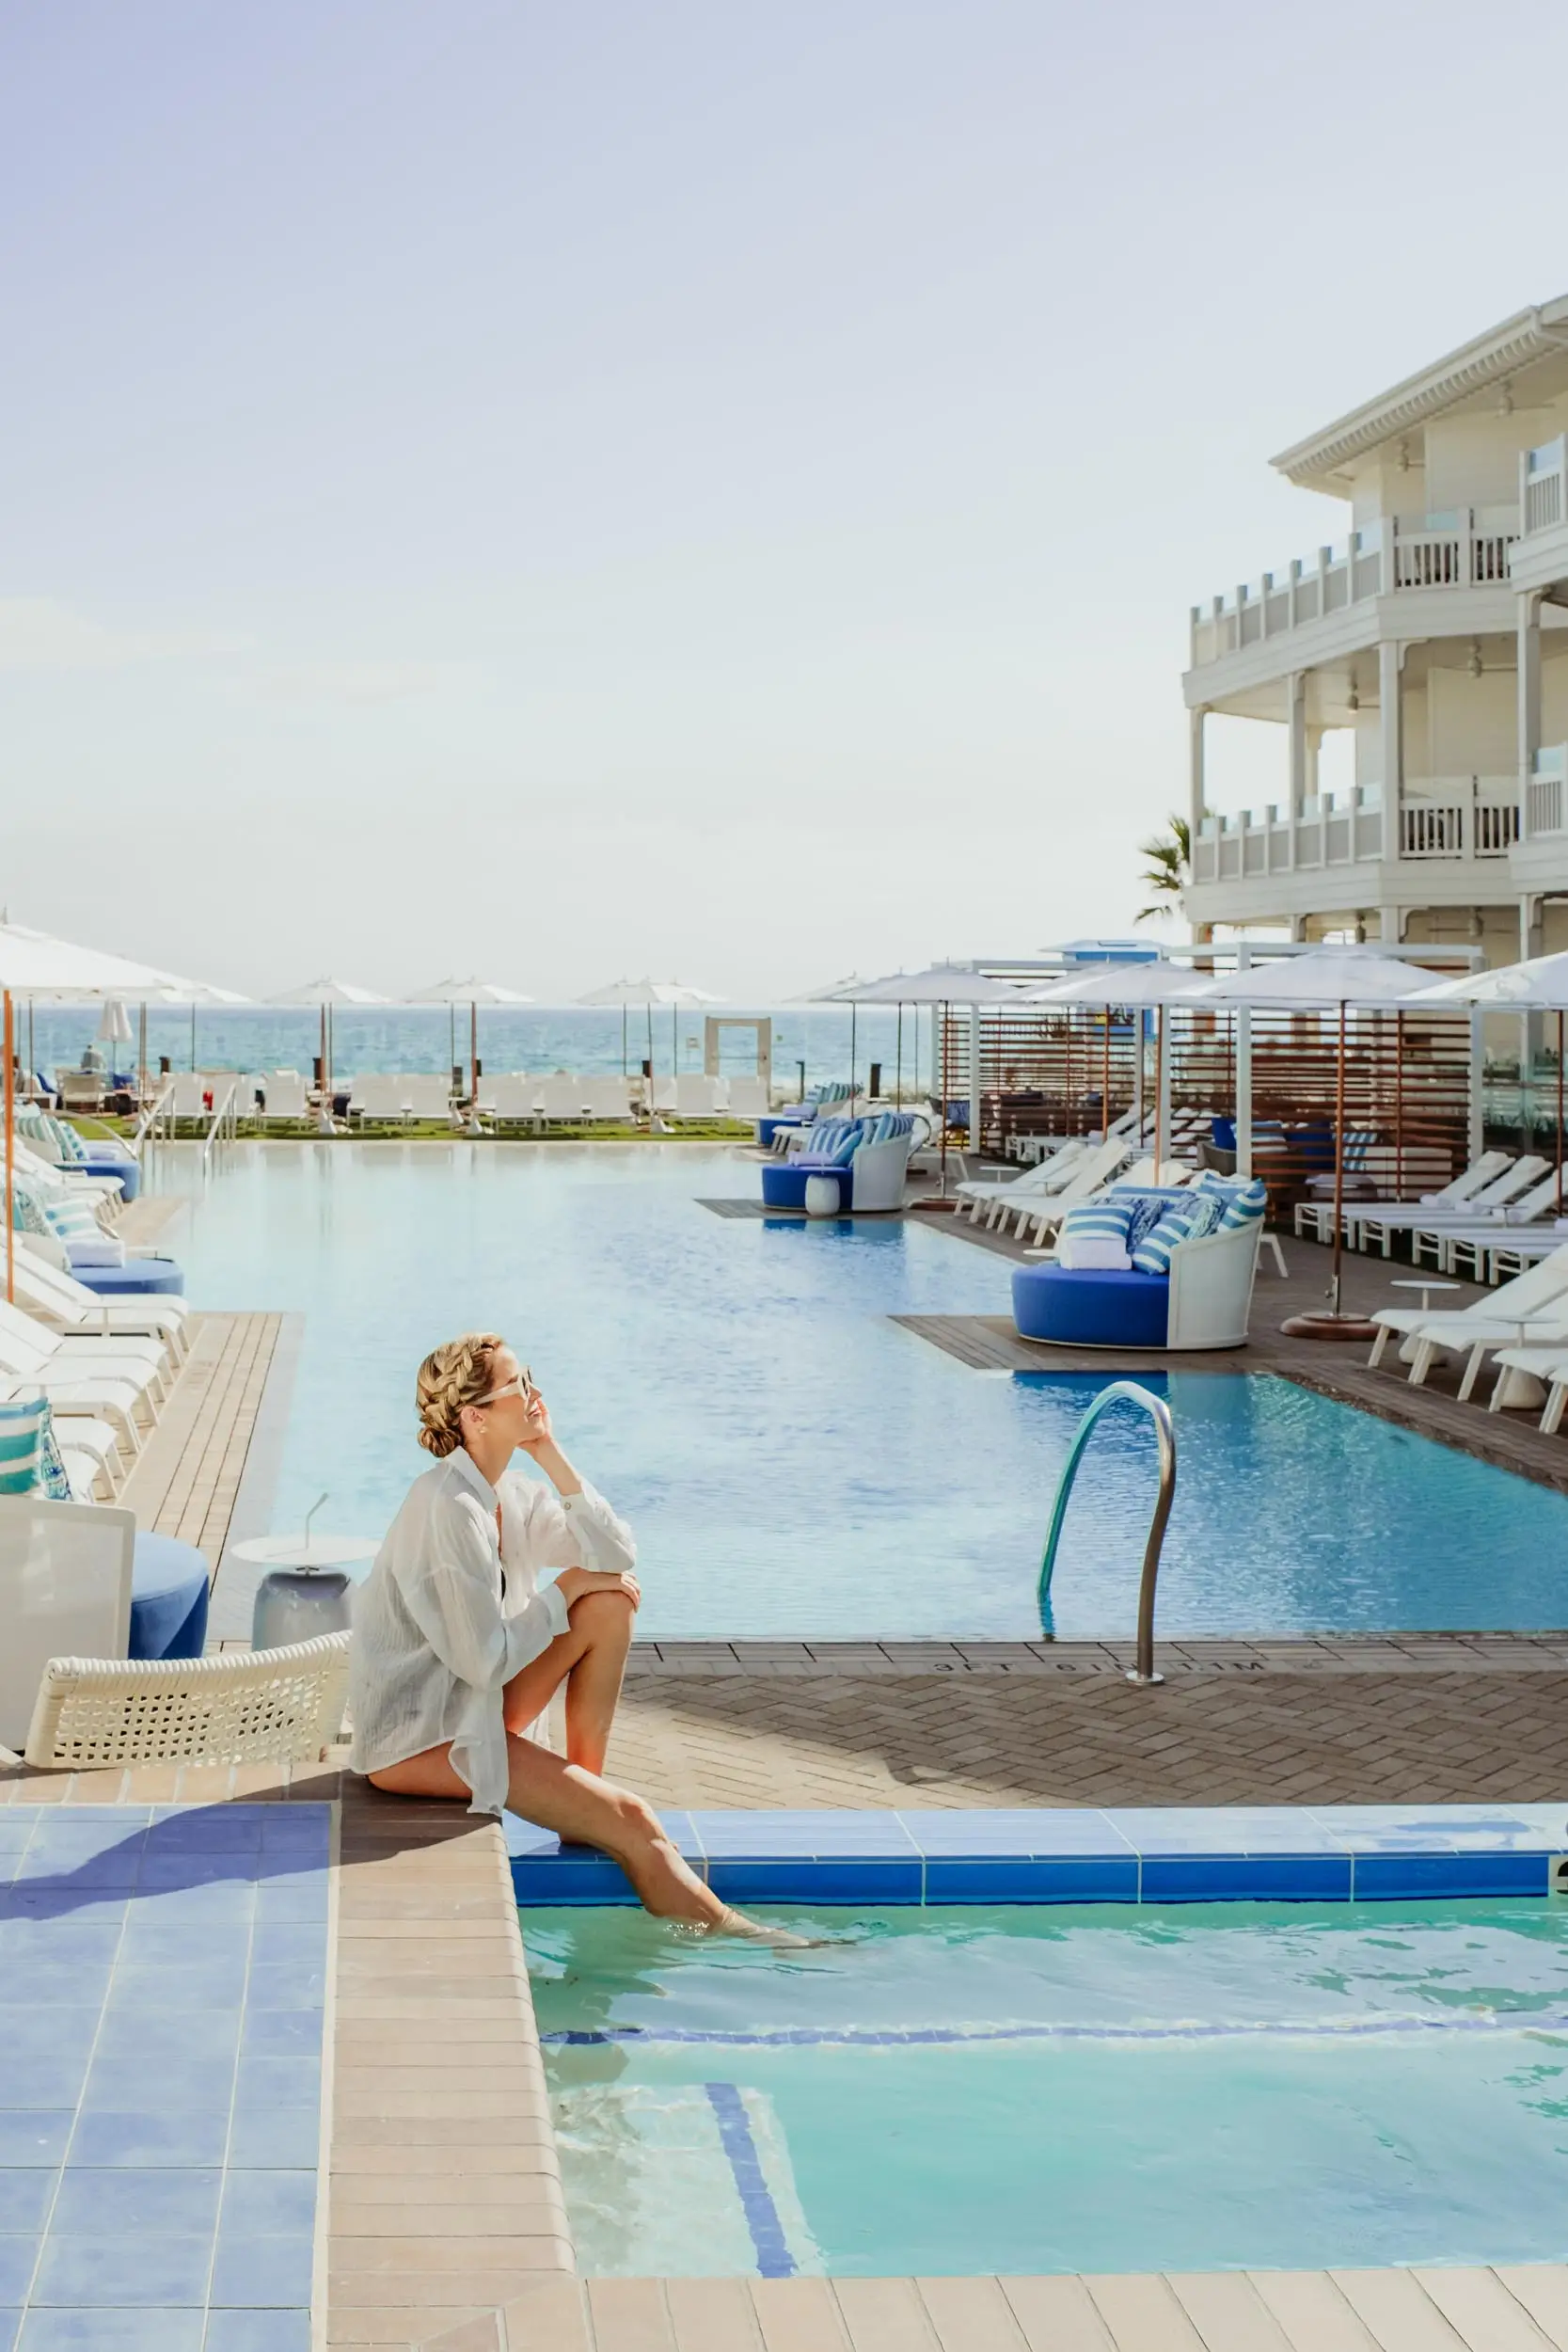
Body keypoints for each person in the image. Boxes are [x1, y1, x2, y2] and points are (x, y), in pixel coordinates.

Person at [350, 1330, 771, 1935]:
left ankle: (582, 1799)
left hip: (475, 1707)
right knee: (632, 1818)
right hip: (418, 1739)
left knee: (607, 1601)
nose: (535, 1392)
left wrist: (549, 1451)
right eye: (518, 1384)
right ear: (475, 1417)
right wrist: (563, 1590)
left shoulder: (510, 1495)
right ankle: (748, 1940)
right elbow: (485, 1664)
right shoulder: (447, 1509)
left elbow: (617, 1554)